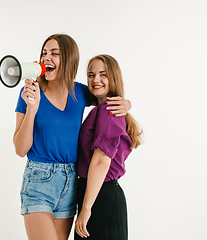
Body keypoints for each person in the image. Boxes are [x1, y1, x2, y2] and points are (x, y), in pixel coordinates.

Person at [13, 34, 131, 240]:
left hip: (71, 184)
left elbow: (104, 95)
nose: (47, 58)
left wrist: (127, 103)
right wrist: (32, 108)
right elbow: (20, 149)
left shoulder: (78, 92)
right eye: (44, 53)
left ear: (68, 59)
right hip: (39, 180)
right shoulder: (30, 93)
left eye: (55, 54)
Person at [74, 54, 143, 240]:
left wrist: (87, 208)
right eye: (90, 74)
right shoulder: (104, 108)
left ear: (114, 78)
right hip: (96, 193)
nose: (96, 79)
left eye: (103, 74)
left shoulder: (108, 109)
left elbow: (101, 161)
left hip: (100, 197)